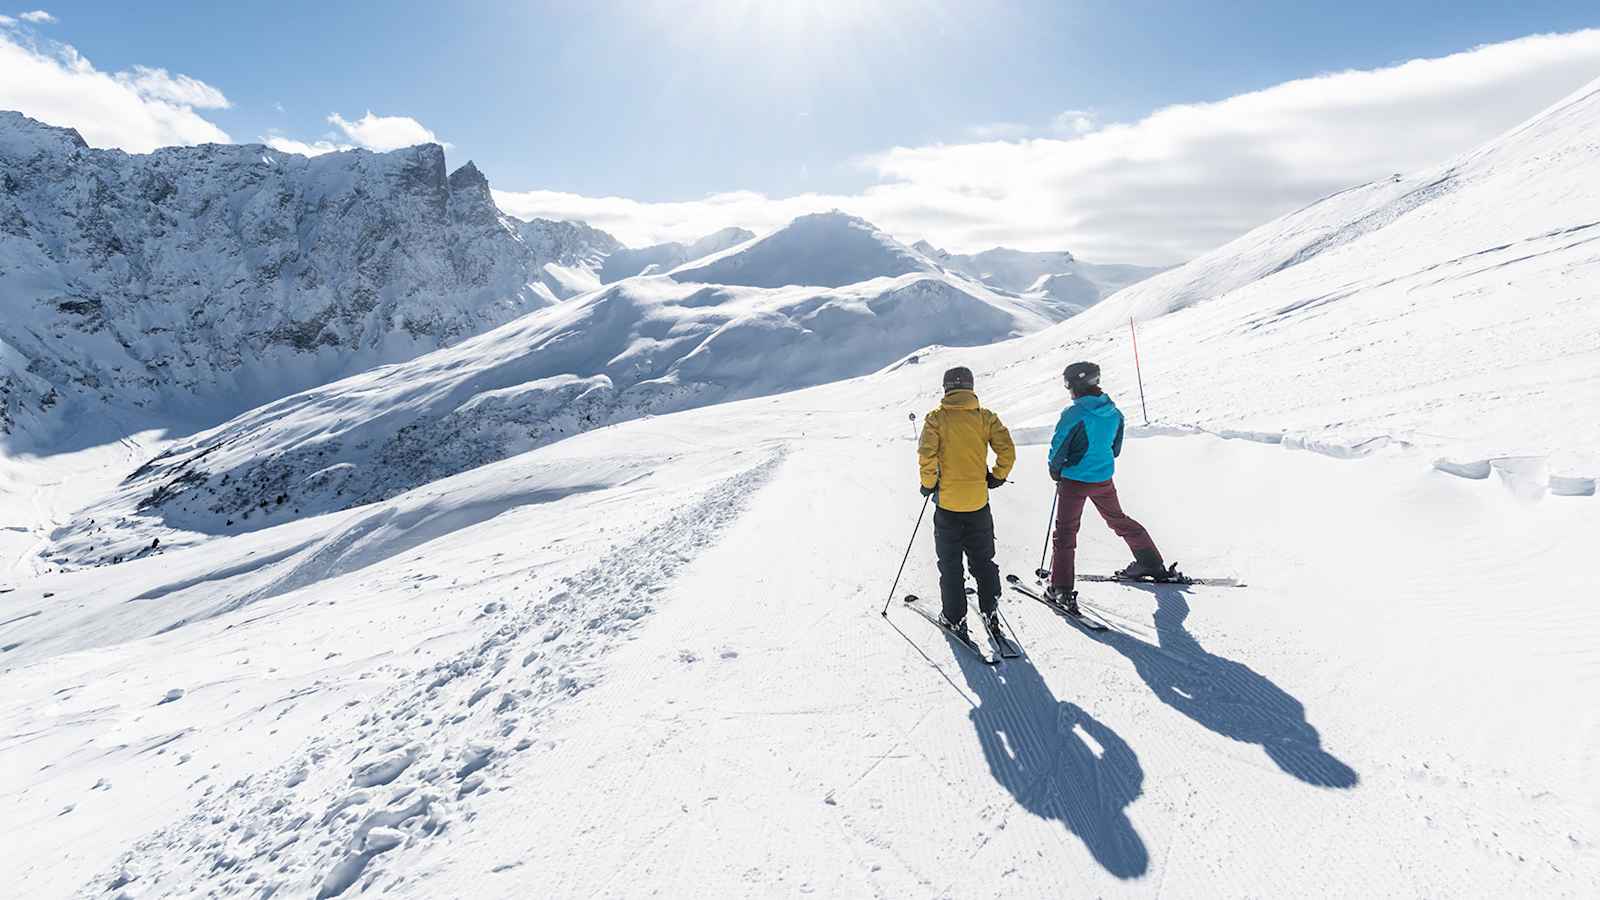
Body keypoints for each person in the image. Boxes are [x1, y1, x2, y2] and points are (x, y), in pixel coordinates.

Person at [1045, 361, 1167, 614]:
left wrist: (1056, 470)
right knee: (1118, 520)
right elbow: (1115, 449)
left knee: (1066, 532)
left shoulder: (1073, 413)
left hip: (1075, 481)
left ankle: (1060, 588)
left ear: (1075, 385)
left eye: (1067, 383)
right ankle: (1151, 562)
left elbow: (1058, 447)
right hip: (1102, 480)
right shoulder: (1114, 412)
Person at [918, 366, 1016, 635]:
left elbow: (927, 455)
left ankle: (954, 617)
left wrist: (928, 484)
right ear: (971, 387)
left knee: (950, 564)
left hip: (948, 504)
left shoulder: (936, 419)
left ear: (946, 388)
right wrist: (998, 475)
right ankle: (990, 607)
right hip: (977, 502)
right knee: (983, 559)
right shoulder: (985, 417)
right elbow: (1007, 449)